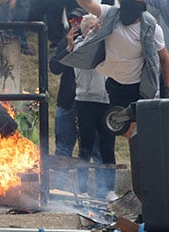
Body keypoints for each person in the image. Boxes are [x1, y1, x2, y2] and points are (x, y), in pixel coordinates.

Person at [60, 0, 169, 107]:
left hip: (140, 85)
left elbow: (165, 59)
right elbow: (88, 3)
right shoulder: (110, 14)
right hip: (113, 82)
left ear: (142, 5)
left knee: (137, 124)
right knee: (119, 125)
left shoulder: (151, 29)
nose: (126, 0)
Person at [71, 14, 115, 201]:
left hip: (106, 102)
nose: (93, 30)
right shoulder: (79, 46)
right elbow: (85, 53)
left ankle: (108, 189)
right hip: (85, 101)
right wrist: (92, 34)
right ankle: (82, 189)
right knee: (86, 147)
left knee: (107, 147)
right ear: (83, 30)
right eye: (89, 28)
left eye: (95, 27)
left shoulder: (108, 46)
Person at [49, 8, 88, 167]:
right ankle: (60, 183)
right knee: (63, 147)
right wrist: (68, 48)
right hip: (67, 100)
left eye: (78, 21)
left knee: (89, 148)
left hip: (88, 101)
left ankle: (85, 186)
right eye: (71, 20)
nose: (74, 24)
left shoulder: (95, 41)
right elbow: (55, 68)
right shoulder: (66, 42)